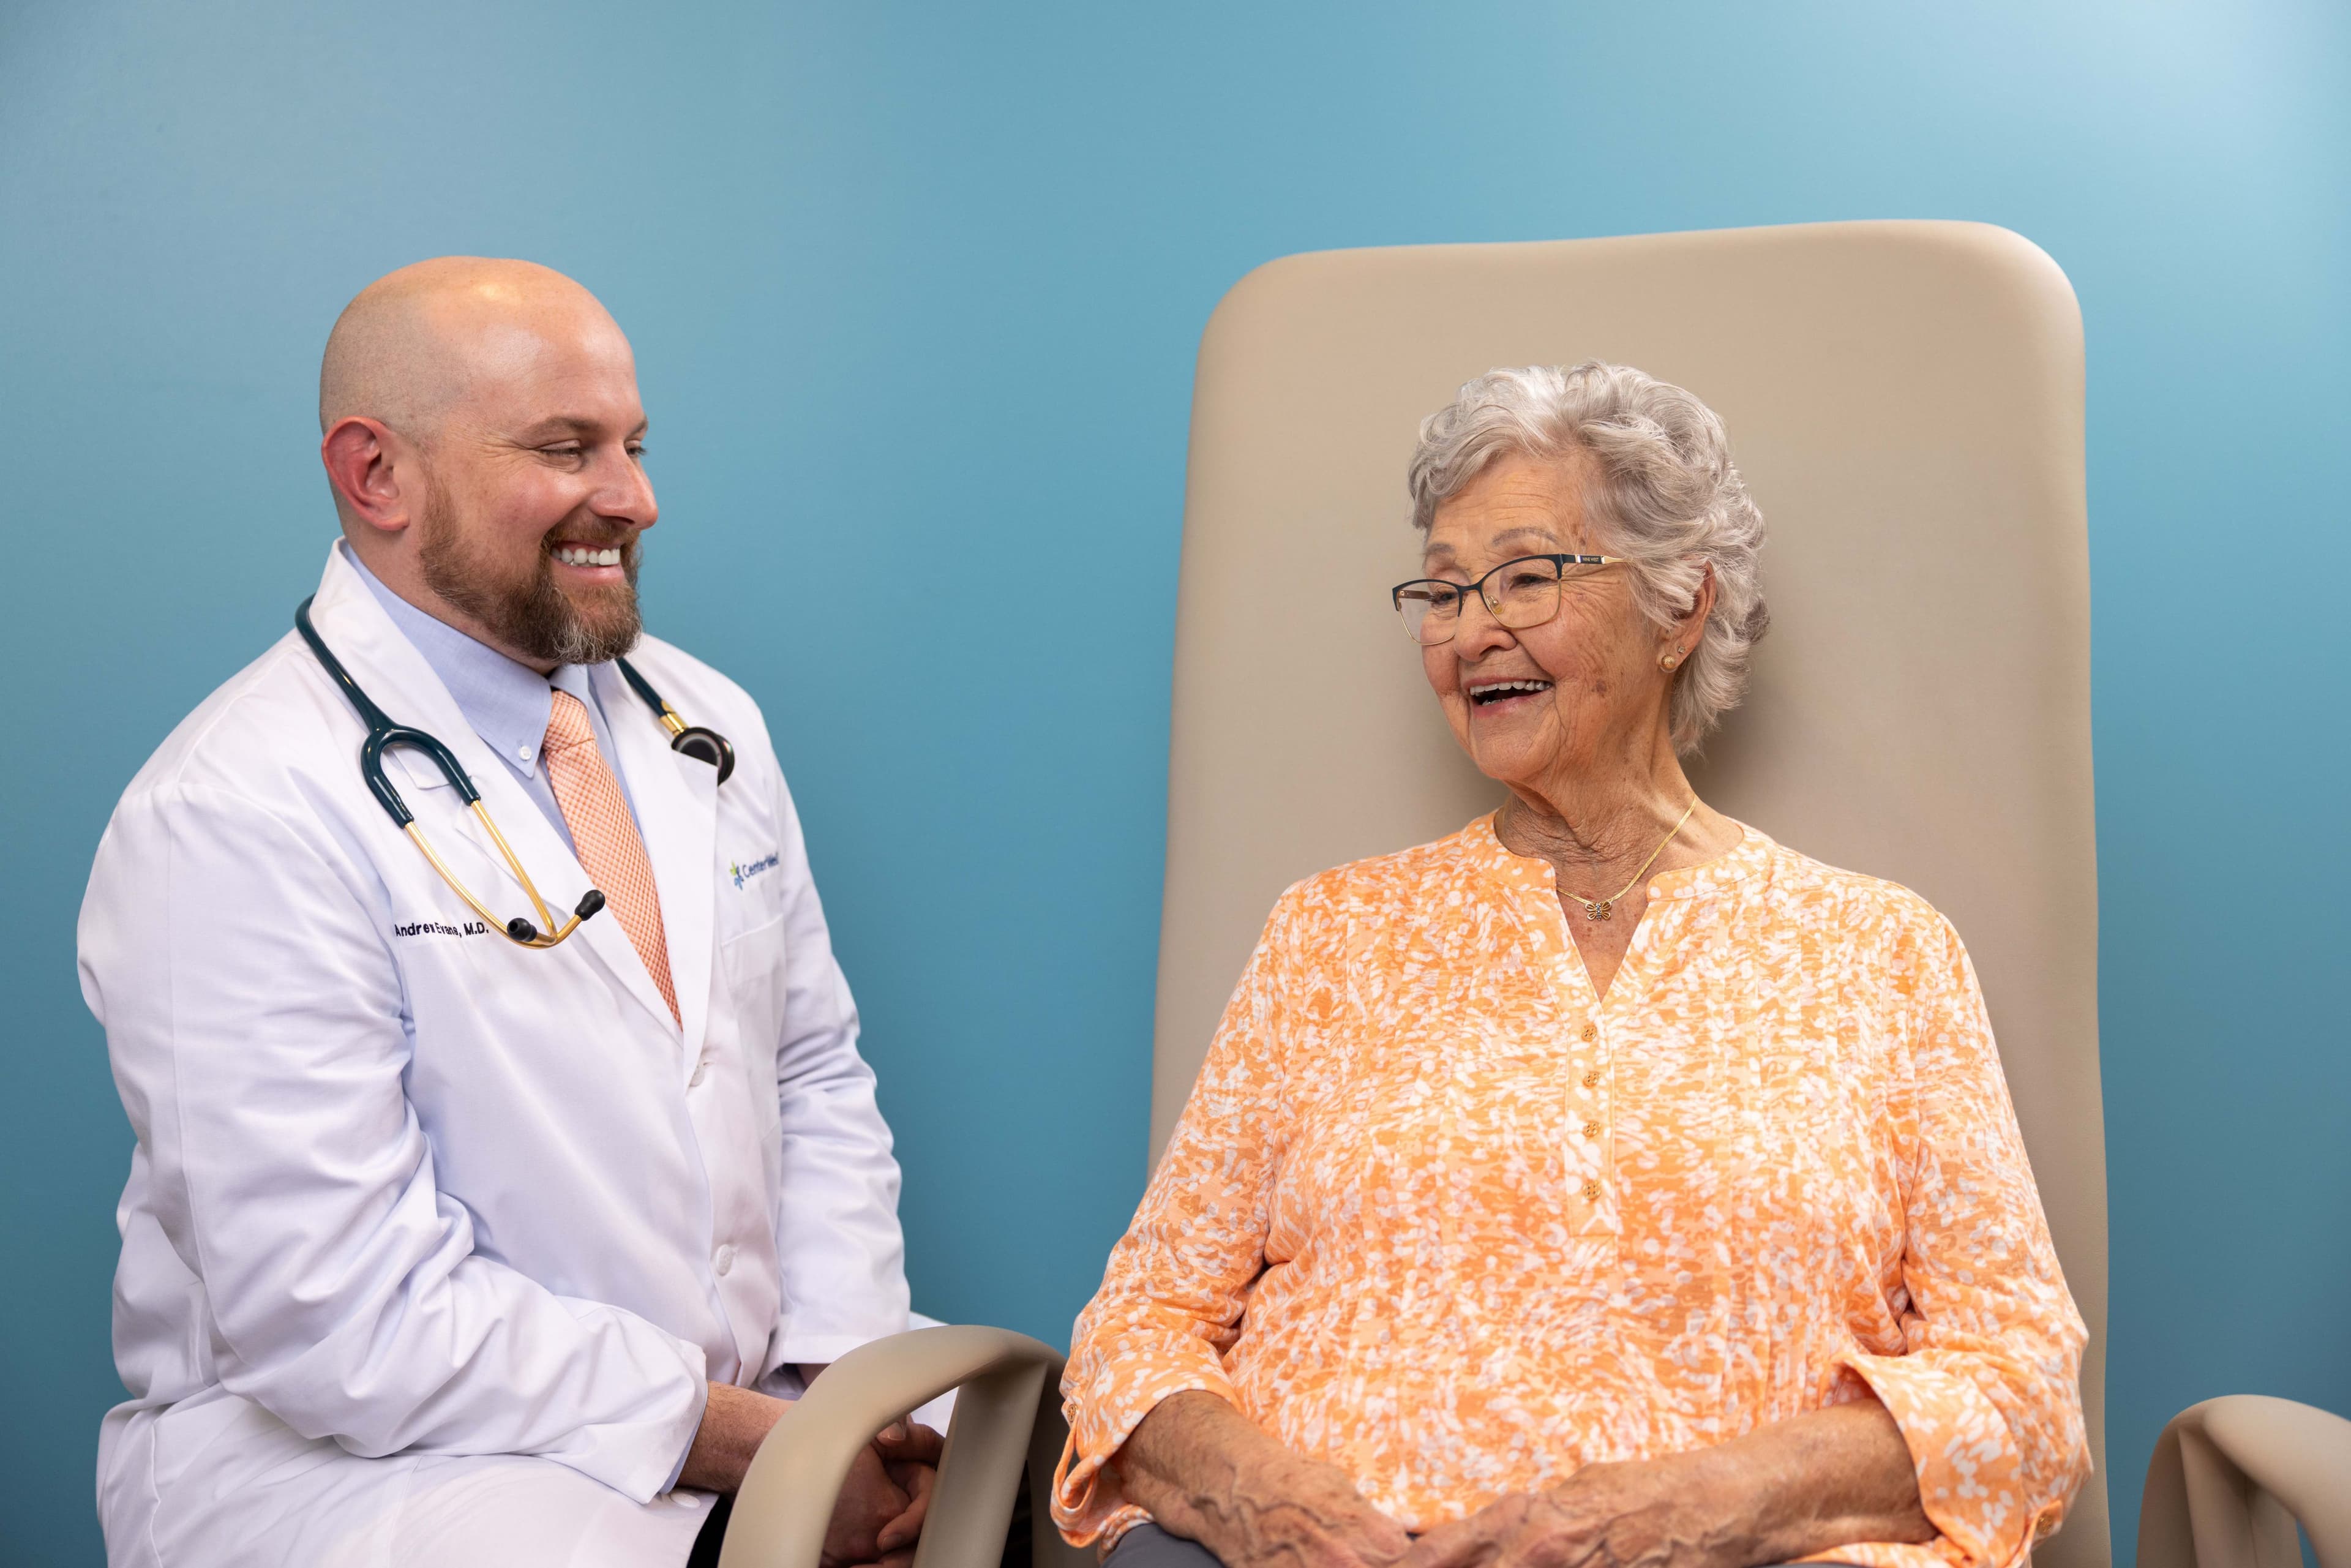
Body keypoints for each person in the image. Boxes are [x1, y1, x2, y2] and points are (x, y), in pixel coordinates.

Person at [1052, 364, 2090, 1568]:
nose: (1468, 631)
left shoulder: (1885, 954)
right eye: (1442, 594)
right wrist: (1270, 1501)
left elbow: (2021, 1397)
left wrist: (1697, 1506)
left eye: (1528, 577)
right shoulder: (1329, 936)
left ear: (1681, 604)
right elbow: (1140, 1326)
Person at [80, 257, 939, 1567]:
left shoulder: (703, 724)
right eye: (566, 447)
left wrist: (838, 1391)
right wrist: (756, 1452)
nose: (635, 499)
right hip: (407, 1478)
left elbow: (810, 1072)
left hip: (760, 1422)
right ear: (377, 477)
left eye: (636, 446)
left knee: (1039, 1471)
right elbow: (339, 1313)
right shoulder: (235, 811)